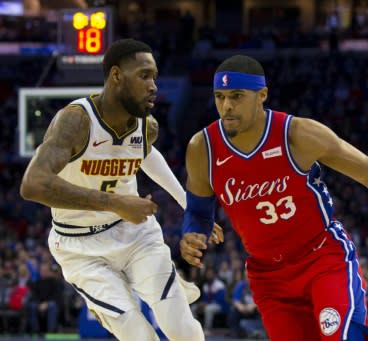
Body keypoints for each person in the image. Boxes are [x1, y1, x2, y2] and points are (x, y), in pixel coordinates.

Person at [179, 54, 368, 341]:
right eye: (219, 97)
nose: (226, 107)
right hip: (268, 277)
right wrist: (193, 232)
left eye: (236, 96)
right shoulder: (202, 148)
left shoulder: (298, 134)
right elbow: (199, 212)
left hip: (322, 260)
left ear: (262, 95)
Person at [19, 39, 222, 341]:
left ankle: (168, 287)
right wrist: (115, 202)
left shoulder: (146, 125)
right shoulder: (76, 121)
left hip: (136, 235)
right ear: (116, 76)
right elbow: (32, 184)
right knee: (138, 334)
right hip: (80, 248)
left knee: (181, 329)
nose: (154, 86)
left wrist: (188, 205)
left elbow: (146, 154)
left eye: (154, 76)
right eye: (144, 75)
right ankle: (164, 285)